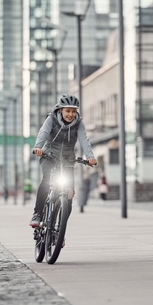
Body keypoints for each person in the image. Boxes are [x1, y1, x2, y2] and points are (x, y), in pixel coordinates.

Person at [30, 94, 97, 227]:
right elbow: (43, 132)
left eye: (73, 111)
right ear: (61, 110)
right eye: (68, 111)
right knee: (46, 180)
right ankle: (37, 213)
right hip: (49, 155)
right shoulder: (51, 119)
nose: (71, 114)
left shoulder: (78, 123)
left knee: (69, 194)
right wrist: (38, 147)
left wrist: (90, 157)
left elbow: (84, 139)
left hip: (67, 160)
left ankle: (61, 228)